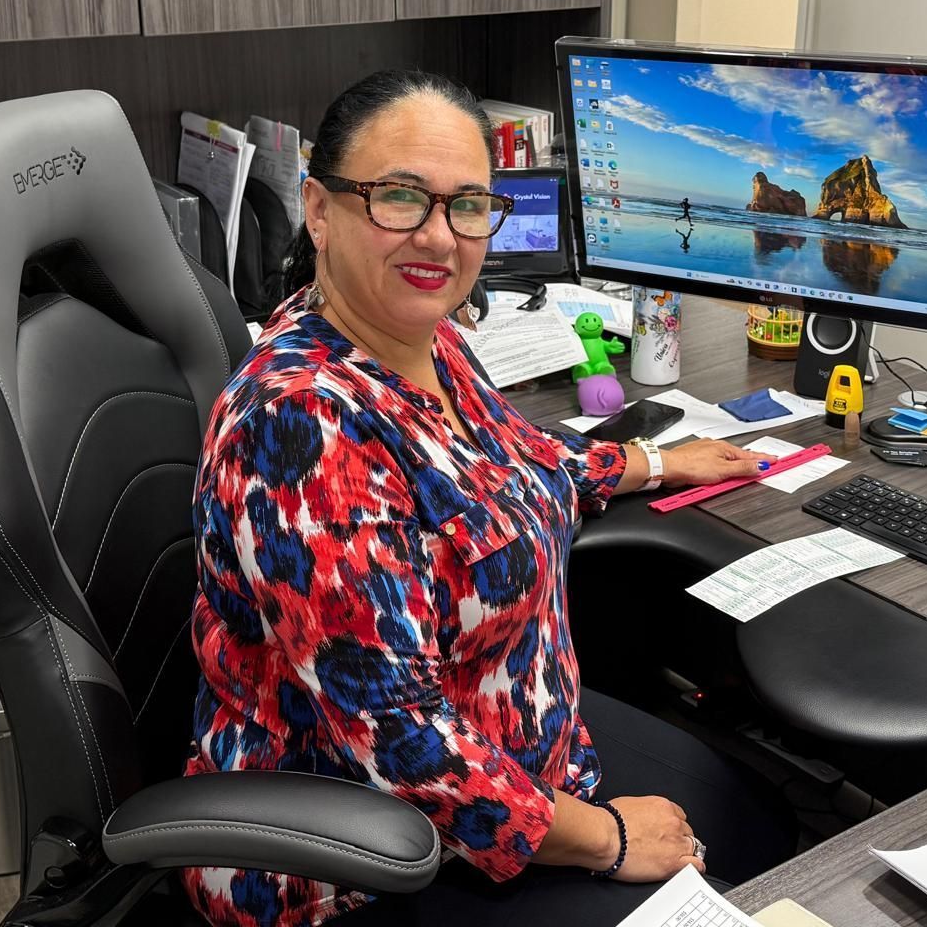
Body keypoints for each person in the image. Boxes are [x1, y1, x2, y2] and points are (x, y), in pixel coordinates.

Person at [186, 71, 797, 927]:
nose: (439, 236)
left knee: (766, 831)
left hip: (519, 759)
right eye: (400, 197)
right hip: (367, 855)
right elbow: (400, 743)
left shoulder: (428, 342)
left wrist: (655, 462)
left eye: (467, 205)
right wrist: (609, 839)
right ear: (320, 211)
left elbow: (516, 465)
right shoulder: (304, 427)